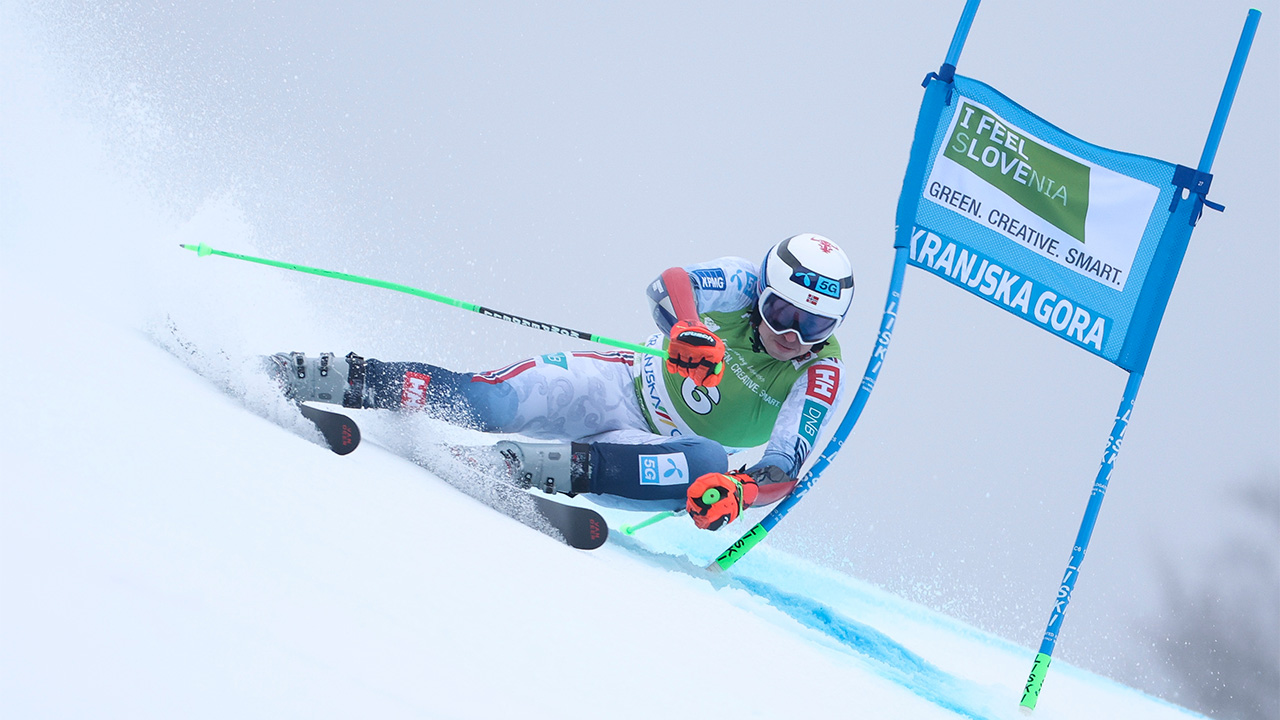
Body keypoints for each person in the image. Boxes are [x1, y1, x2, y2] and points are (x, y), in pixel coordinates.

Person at [271, 233, 854, 531]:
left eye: (816, 325)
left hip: (654, 452)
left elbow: (783, 467)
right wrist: (687, 327)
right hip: (619, 383)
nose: (794, 336)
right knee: (487, 401)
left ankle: (508, 467)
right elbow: (669, 281)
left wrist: (743, 493)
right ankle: (332, 377)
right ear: (765, 291)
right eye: (784, 314)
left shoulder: (818, 369)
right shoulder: (740, 282)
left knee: (709, 462)